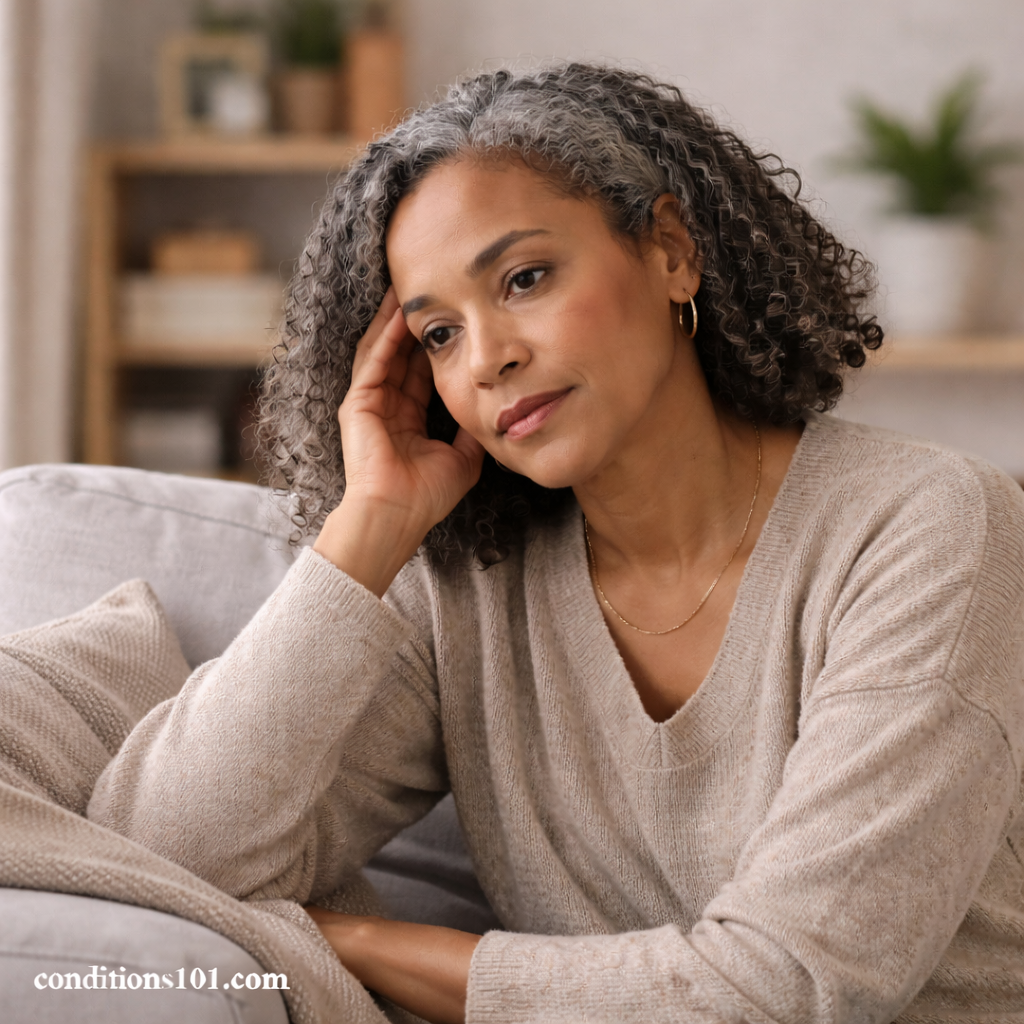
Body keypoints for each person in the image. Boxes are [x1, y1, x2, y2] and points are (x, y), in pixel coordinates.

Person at [88, 64, 1024, 1024]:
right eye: (440, 335)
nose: (489, 355)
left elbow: (781, 992)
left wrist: (348, 942)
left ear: (670, 252)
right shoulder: (467, 588)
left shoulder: (929, 525)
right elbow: (161, 858)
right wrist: (365, 529)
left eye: (525, 279)